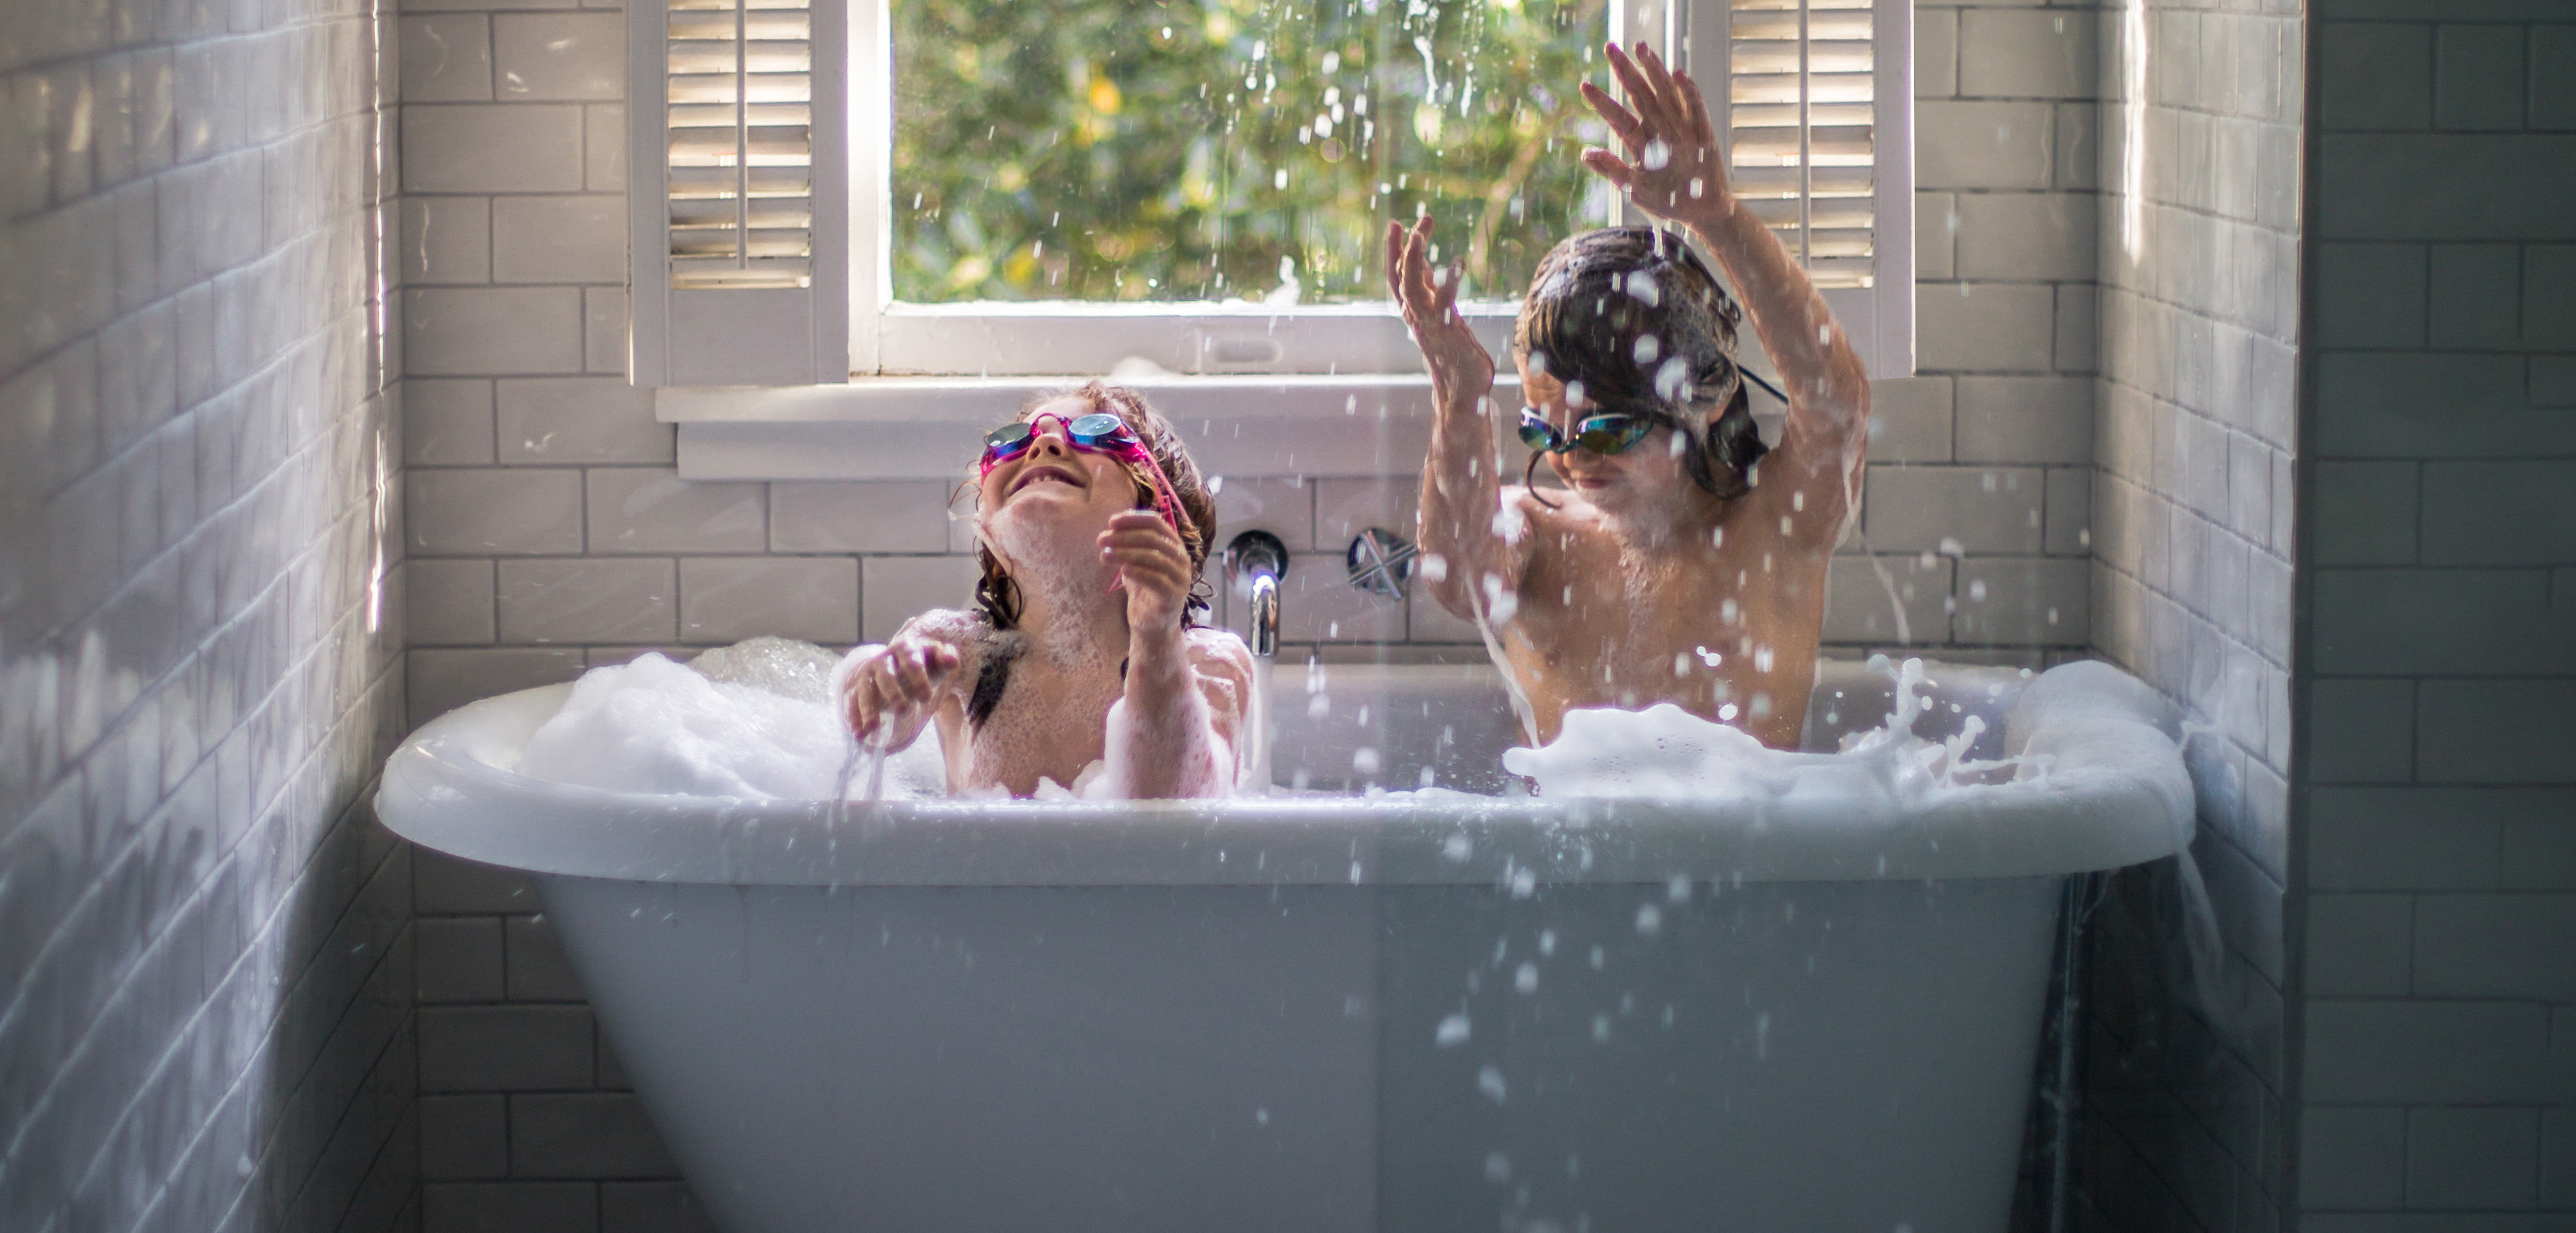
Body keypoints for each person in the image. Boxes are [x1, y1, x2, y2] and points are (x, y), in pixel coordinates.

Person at [1389, 41, 1870, 750]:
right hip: (1570, 858)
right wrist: (1457, 399)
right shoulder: (1534, 534)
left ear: (1704, 398)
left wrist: (1717, 217)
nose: (1573, 458)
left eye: (1606, 429)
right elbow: (1458, 581)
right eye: (1544, 433)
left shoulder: (1775, 527)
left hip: (1743, 854)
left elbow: (1833, 403)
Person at [831, 383, 1255, 798]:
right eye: (1013, 441)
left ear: (1161, 510)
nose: (1044, 444)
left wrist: (1157, 639)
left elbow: (1173, 813)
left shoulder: (1208, 663)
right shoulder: (957, 652)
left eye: (1095, 431)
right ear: (988, 527)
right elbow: (878, 729)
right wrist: (875, 686)